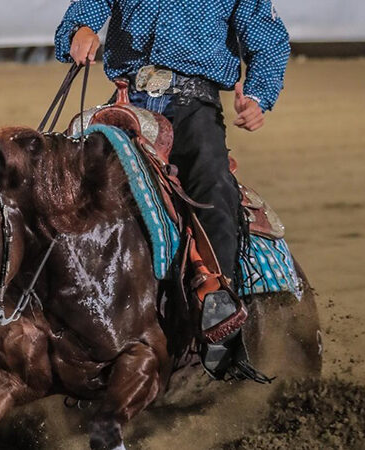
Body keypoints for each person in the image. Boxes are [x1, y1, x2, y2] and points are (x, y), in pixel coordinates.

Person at [54, 0, 290, 381]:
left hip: (193, 104)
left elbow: (269, 39)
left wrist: (259, 96)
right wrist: (79, 31)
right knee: (59, 173)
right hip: (125, 102)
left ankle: (218, 299)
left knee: (212, 183)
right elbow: (85, 11)